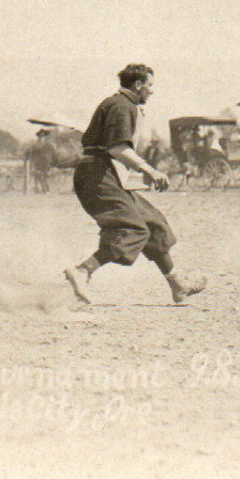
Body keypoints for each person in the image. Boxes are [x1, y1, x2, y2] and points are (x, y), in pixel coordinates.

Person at [62, 63, 206, 305]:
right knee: (133, 229)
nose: (152, 91)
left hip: (105, 172)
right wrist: (150, 171)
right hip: (97, 174)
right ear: (138, 85)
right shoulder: (122, 106)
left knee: (153, 222)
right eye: (150, 86)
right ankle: (83, 271)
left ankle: (177, 284)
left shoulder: (119, 105)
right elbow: (118, 148)